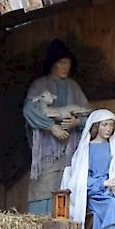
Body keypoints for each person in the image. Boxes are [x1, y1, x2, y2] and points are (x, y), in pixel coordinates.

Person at [23, 39, 91, 214]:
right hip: (46, 152)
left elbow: (90, 115)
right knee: (43, 189)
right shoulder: (40, 85)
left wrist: (78, 122)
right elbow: (29, 110)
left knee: (68, 189)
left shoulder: (74, 87)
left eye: (68, 63)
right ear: (52, 63)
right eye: (61, 62)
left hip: (71, 151)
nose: (65, 67)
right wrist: (52, 127)